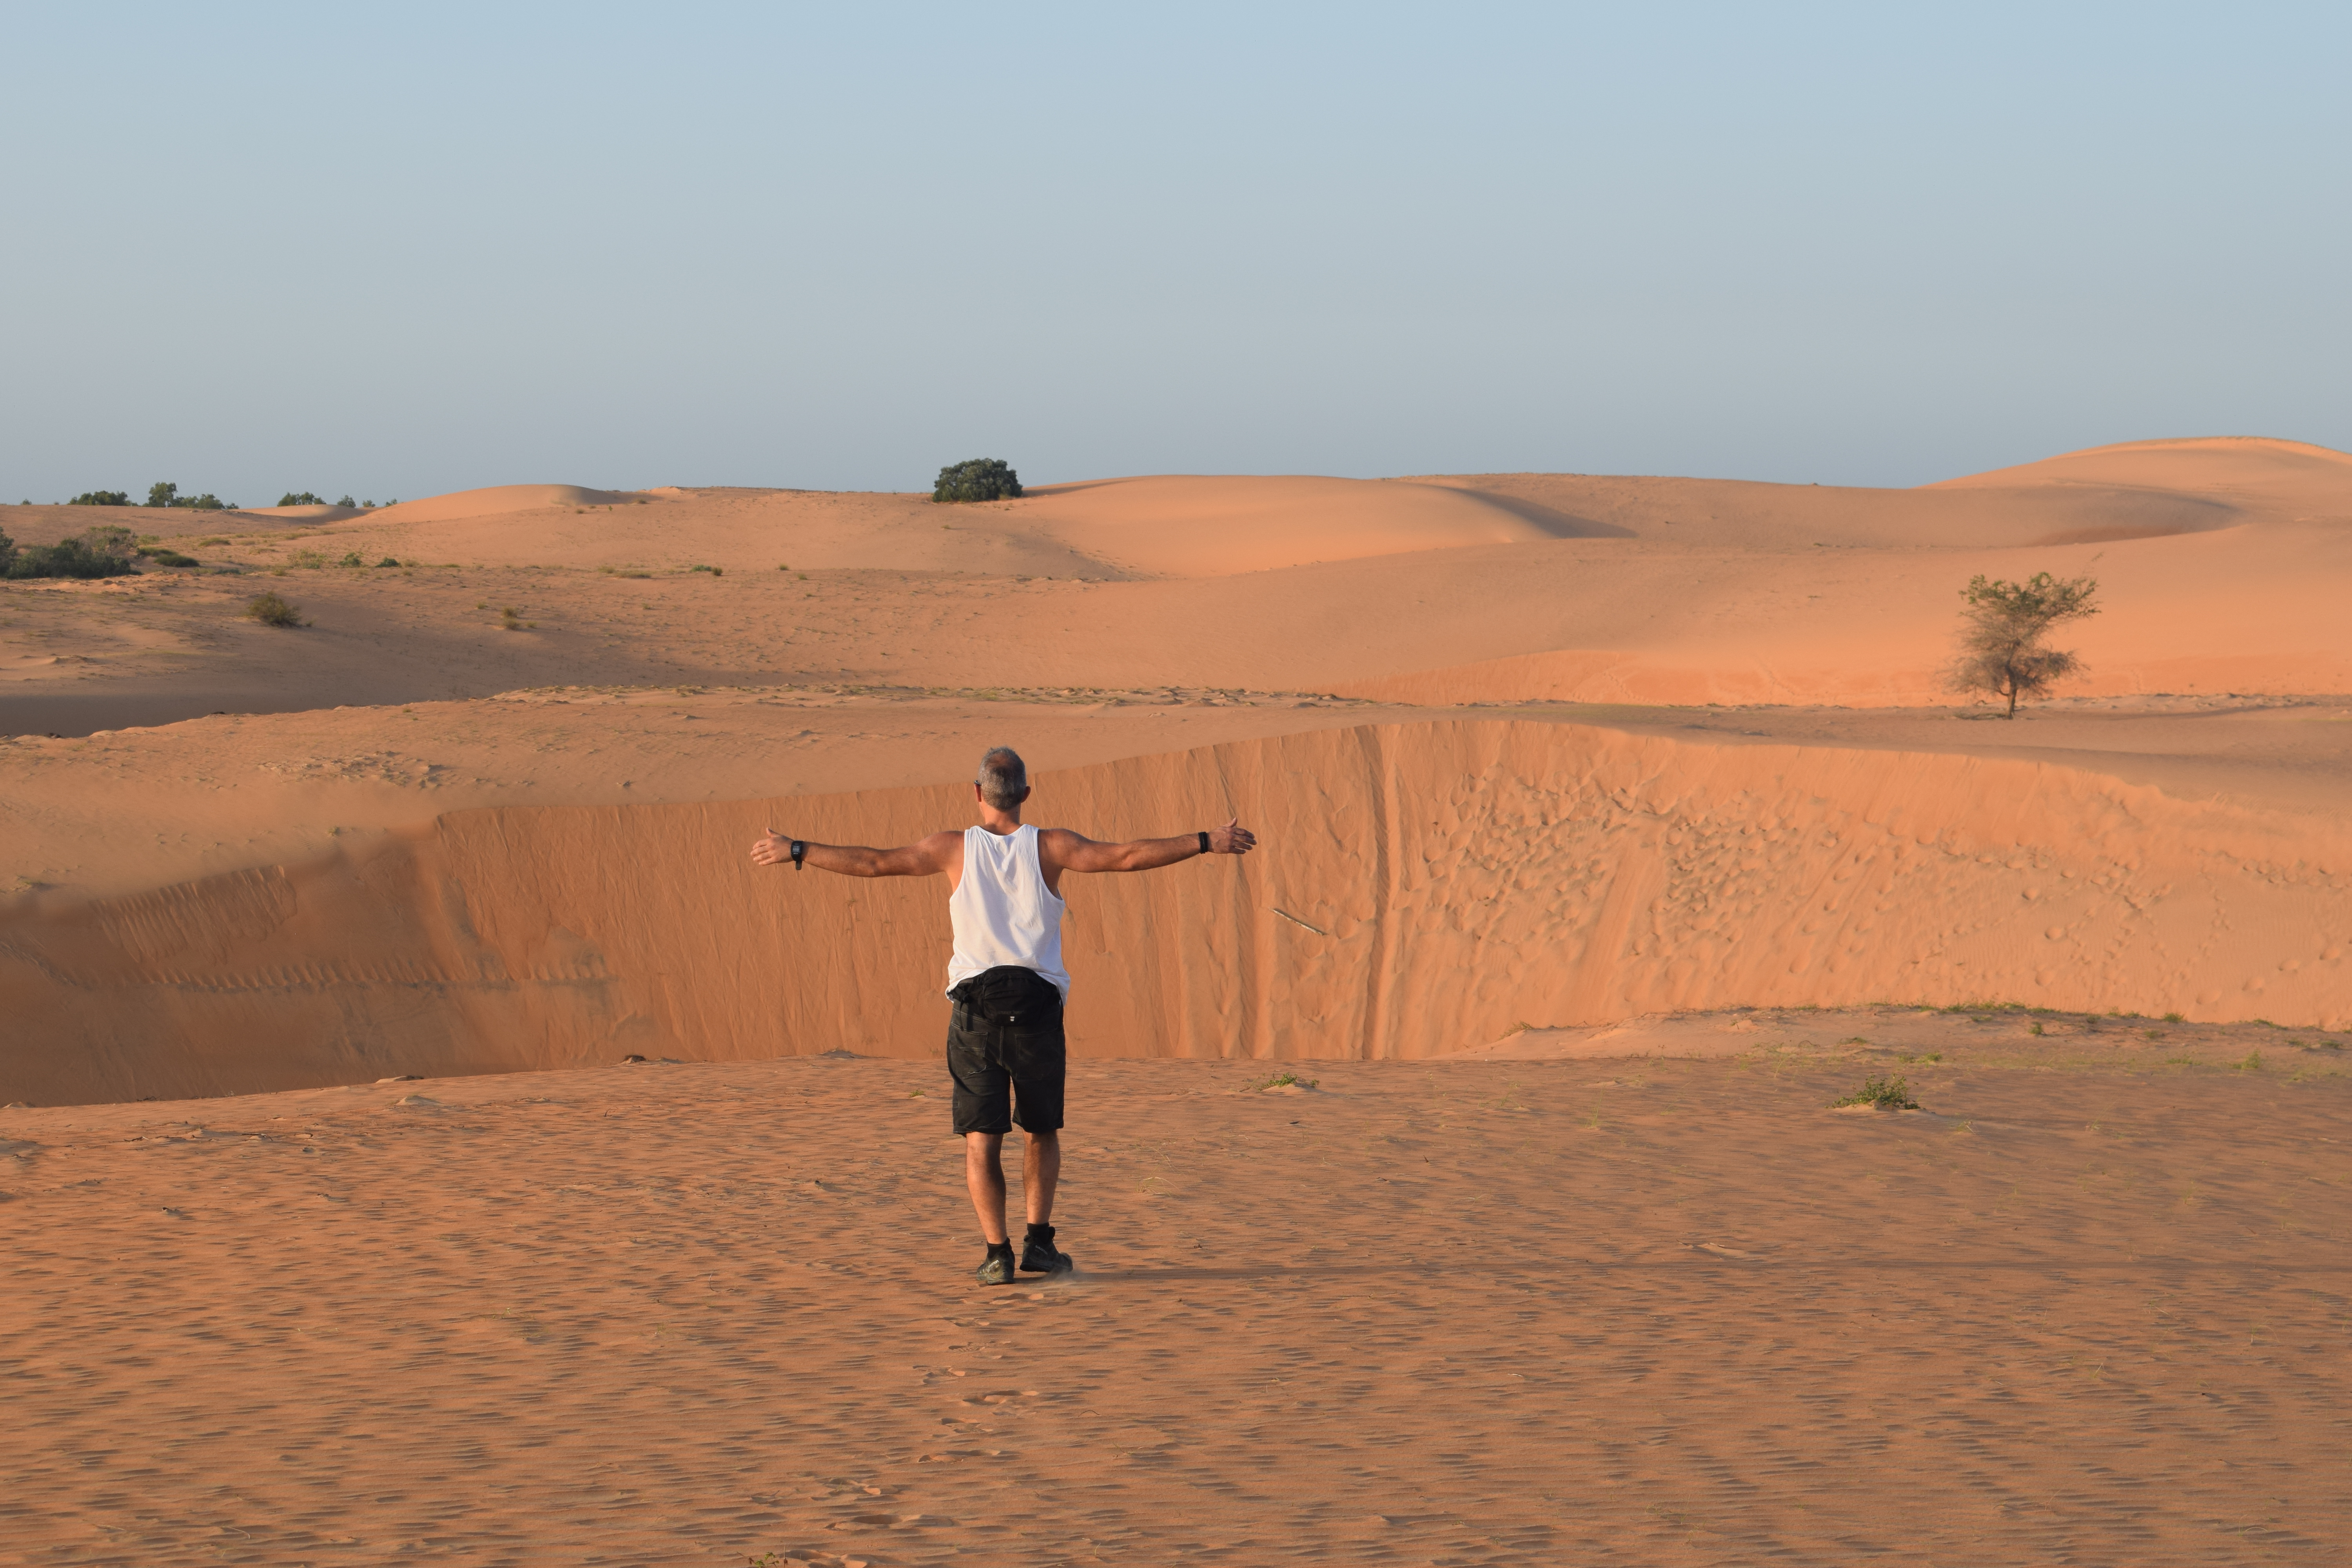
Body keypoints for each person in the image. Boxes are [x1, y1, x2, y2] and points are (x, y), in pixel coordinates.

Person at [751, 746, 1256, 1285]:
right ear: (1025, 794)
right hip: (1036, 1007)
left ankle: (998, 1254)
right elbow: (1127, 855)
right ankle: (1040, 1243)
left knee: (981, 1138)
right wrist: (1207, 841)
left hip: (975, 1013)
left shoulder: (951, 849)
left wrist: (799, 849)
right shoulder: (1051, 846)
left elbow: (875, 863)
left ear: (977, 794)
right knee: (1040, 1130)